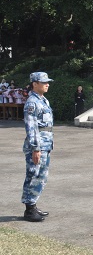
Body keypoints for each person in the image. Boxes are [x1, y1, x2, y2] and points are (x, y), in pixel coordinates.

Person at [22, 72, 55, 222]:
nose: (47, 84)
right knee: (33, 175)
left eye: (48, 82)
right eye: (44, 82)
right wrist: (36, 148)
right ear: (35, 84)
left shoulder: (43, 100)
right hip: (37, 145)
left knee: (41, 176)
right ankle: (29, 210)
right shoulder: (32, 102)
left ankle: (33, 205)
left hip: (45, 144)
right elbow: (31, 127)